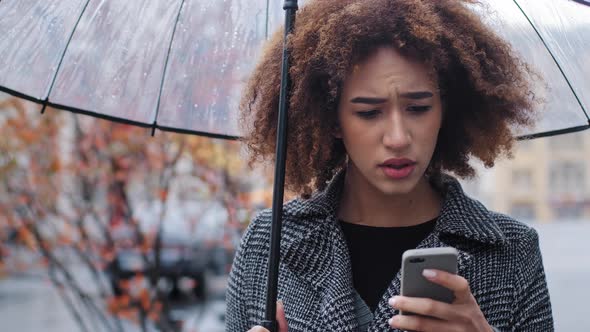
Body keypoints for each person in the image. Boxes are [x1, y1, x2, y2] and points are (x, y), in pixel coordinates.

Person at [227, 0, 553, 331]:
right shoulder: (268, 242)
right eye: (369, 113)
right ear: (332, 119)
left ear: (446, 110)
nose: (398, 138)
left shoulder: (512, 250)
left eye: (419, 108)